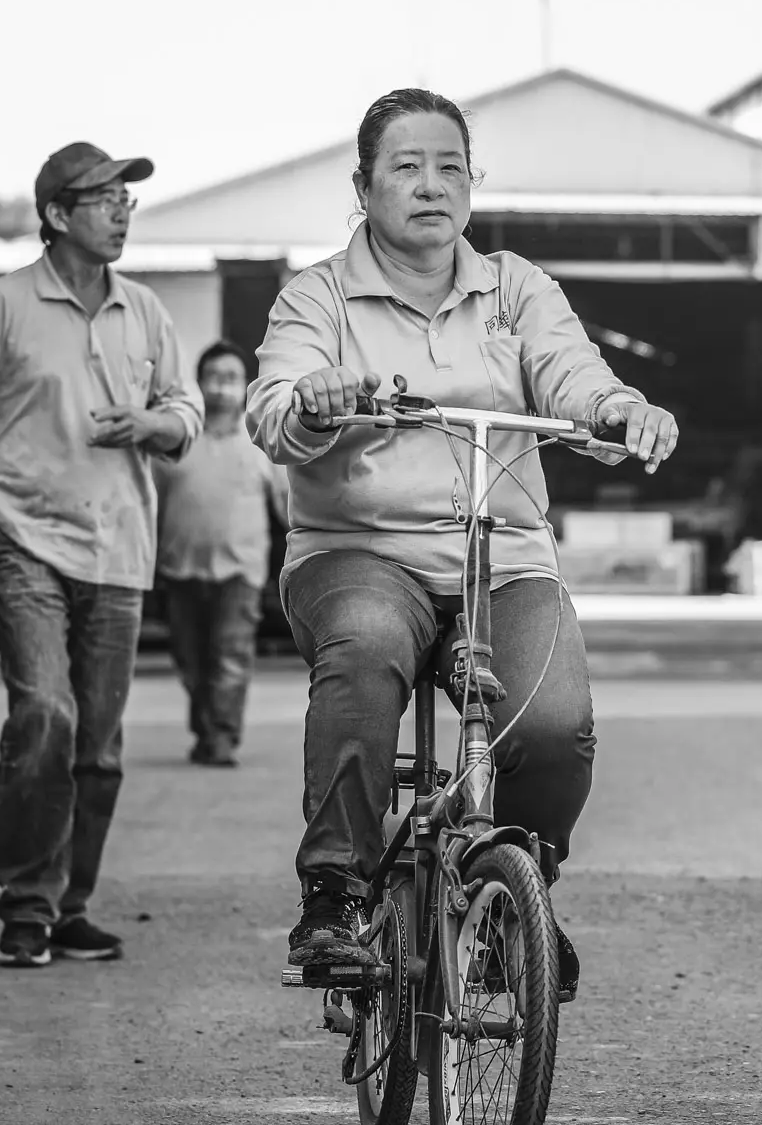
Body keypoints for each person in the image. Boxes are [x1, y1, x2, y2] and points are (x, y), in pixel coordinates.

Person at [247, 89, 680, 995]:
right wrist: (314, 402)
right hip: (359, 553)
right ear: (362, 186)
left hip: (505, 555)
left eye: (452, 166)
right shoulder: (317, 294)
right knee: (364, 649)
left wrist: (616, 408)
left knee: (556, 726)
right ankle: (335, 891)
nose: (433, 185)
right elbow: (275, 406)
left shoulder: (517, 286)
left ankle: (511, 897)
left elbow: (572, 373)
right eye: (407, 166)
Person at [0, 142, 202, 969]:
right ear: (56, 215)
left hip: (118, 545)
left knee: (99, 747)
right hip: (23, 537)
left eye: (127, 198)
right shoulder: (0, 306)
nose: (120, 211)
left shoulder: (145, 310)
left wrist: (151, 425)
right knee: (45, 715)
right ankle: (26, 903)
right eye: (103, 197)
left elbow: (185, 410)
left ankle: (71, 903)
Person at [154, 340, 289, 768]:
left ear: (245, 385)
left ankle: (222, 738)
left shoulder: (260, 443)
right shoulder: (176, 443)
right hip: (180, 570)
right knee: (190, 663)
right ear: (198, 384)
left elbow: (289, 507)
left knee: (230, 659)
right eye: (213, 378)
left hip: (240, 573)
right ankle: (206, 729)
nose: (221, 387)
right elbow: (150, 506)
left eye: (231, 378)